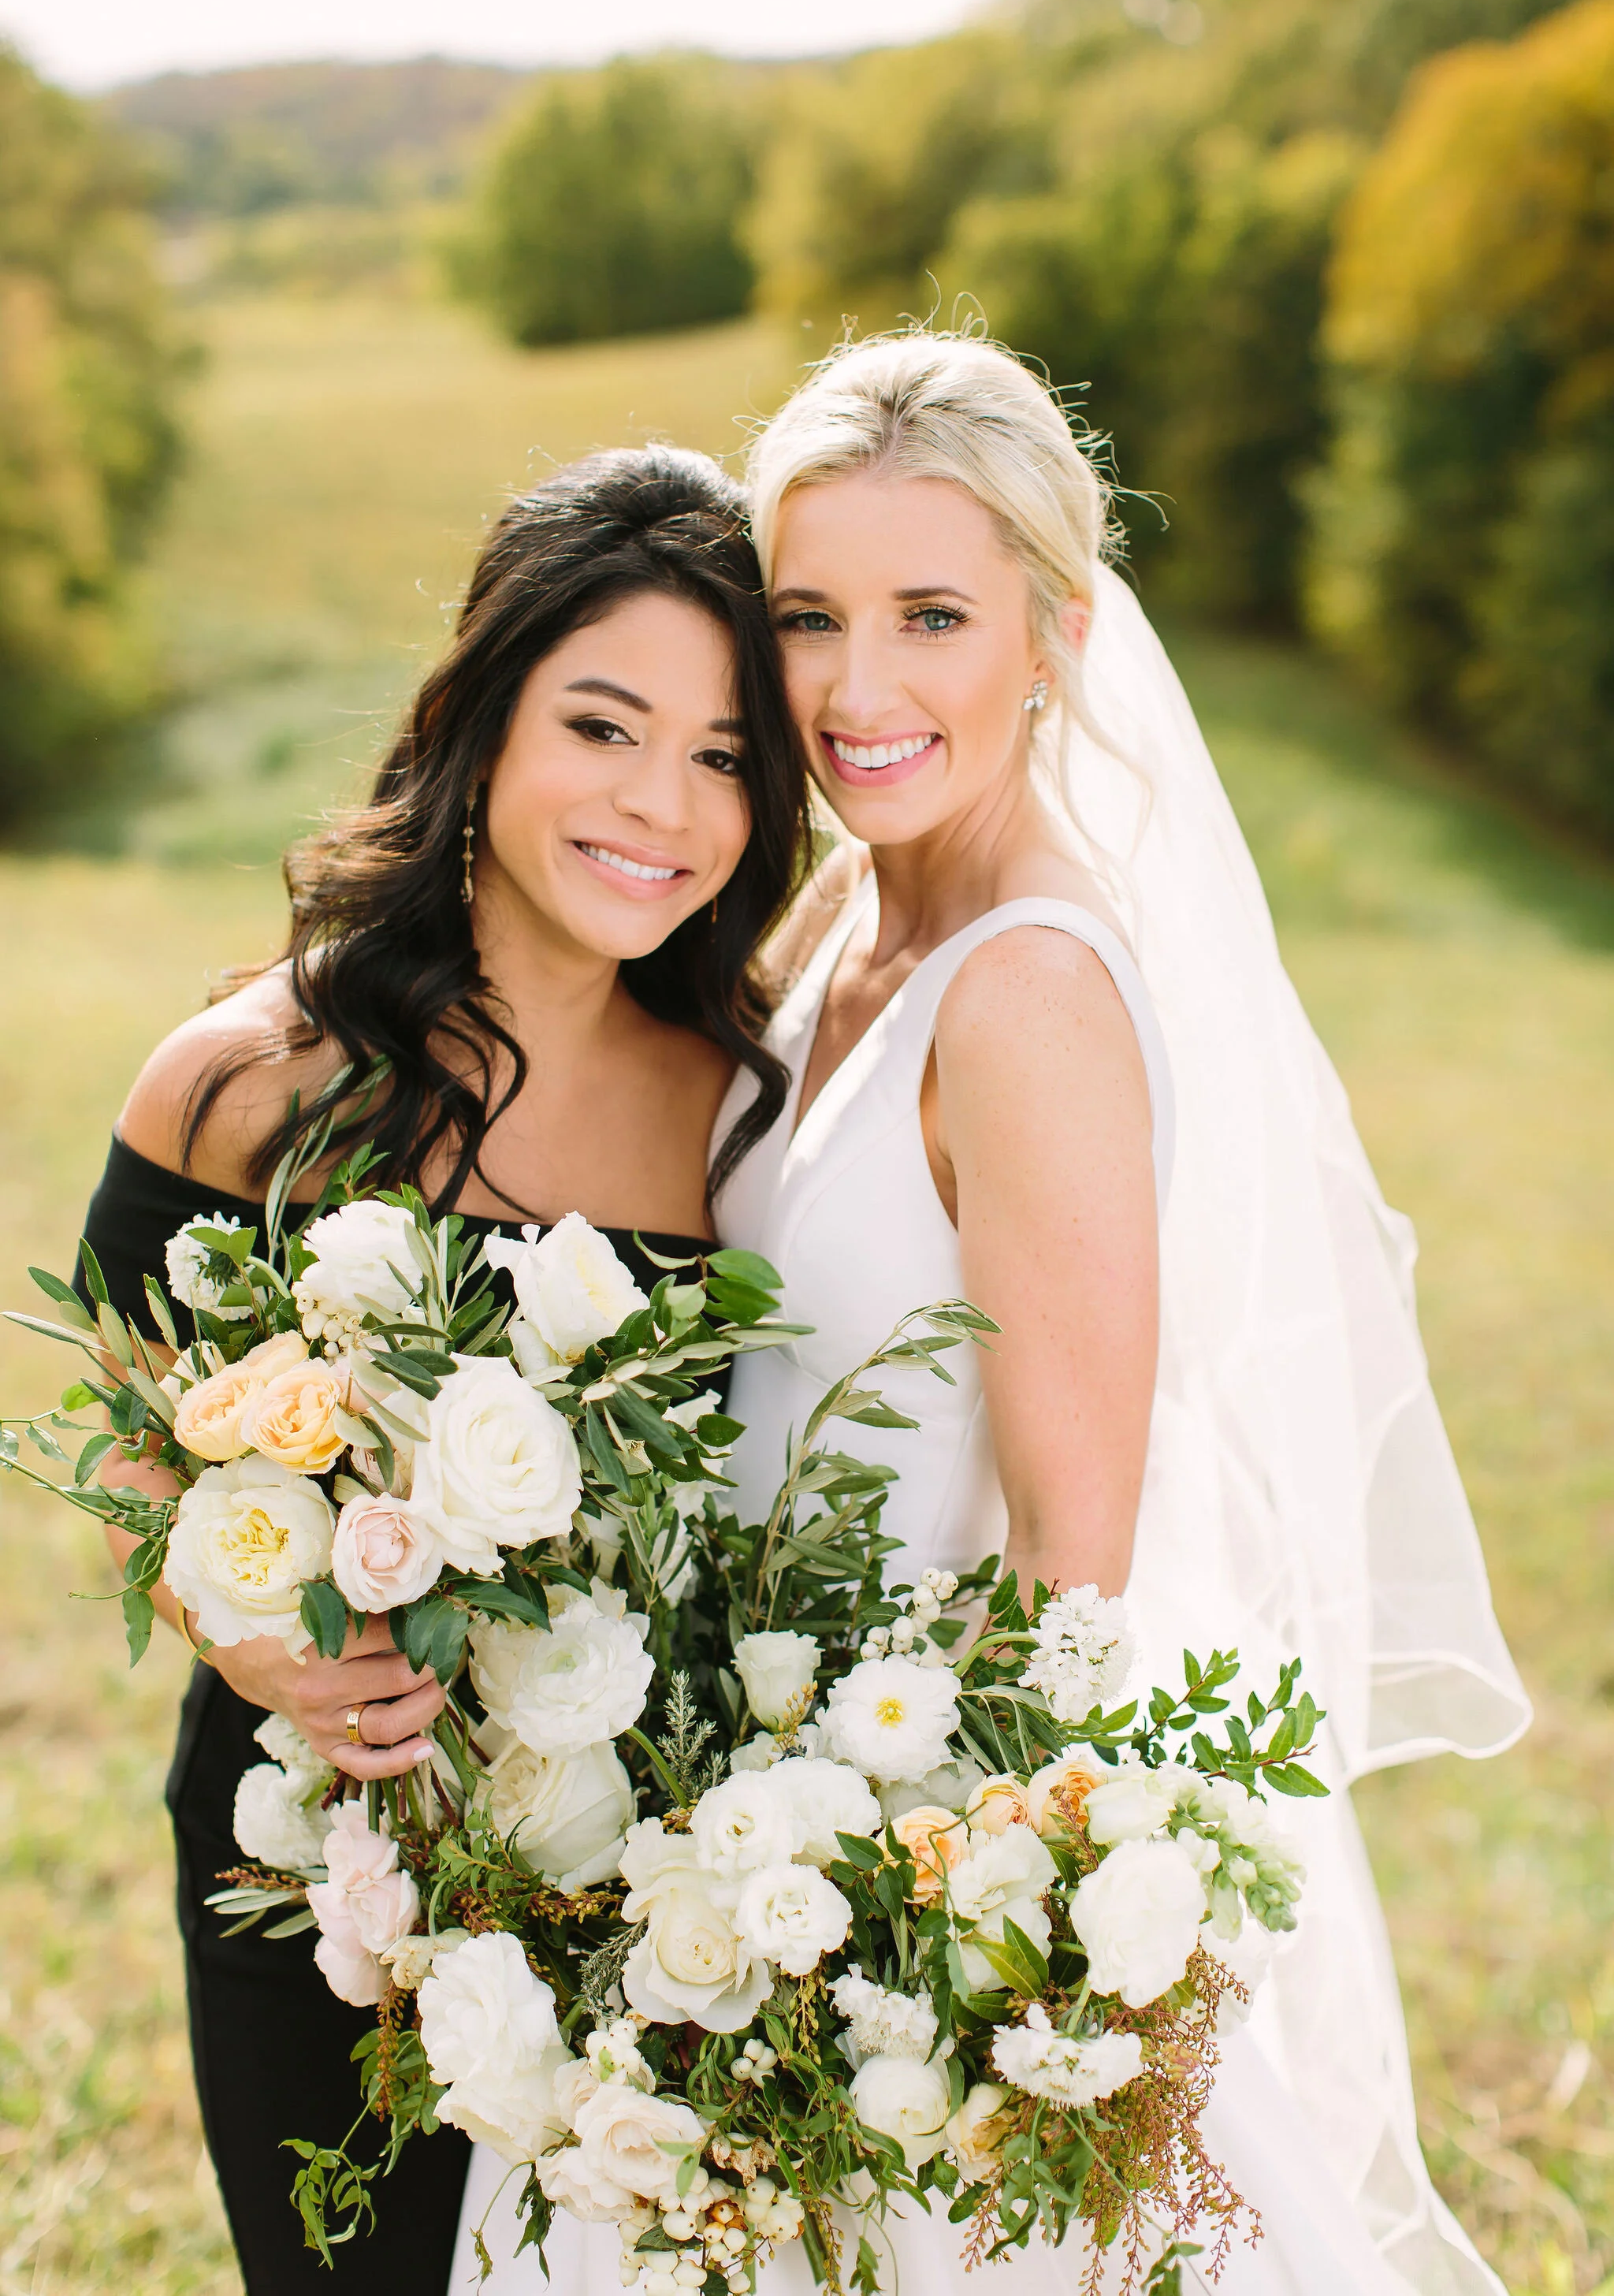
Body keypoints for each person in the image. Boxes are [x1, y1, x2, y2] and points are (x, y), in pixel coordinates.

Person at [701, 333, 1527, 2293]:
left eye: (930, 617)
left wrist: (909, 1943)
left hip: (904, 1867)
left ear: (1053, 636)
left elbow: (1071, 1579)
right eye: (809, 618)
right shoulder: (840, 916)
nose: (857, 690)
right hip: (752, 1799)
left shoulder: (1026, 993)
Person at [81, 445, 809, 2296]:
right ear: (481, 723)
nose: (661, 804)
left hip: (658, 1897)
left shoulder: (744, 1121)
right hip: (309, 1868)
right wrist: (248, 1636)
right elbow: (122, 1439)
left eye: (724, 756)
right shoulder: (246, 1081)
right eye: (604, 726)